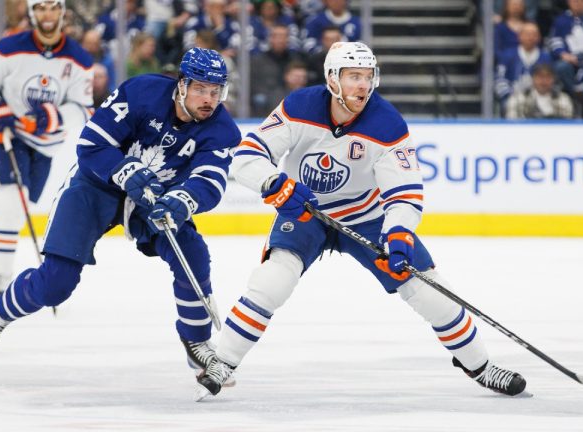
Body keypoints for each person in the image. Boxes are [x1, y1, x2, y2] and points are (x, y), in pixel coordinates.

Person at [194, 42, 527, 400]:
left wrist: (399, 234)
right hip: (306, 212)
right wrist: (275, 183)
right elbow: (248, 155)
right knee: (272, 280)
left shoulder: (386, 123)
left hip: (366, 217)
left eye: (368, 77)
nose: (363, 86)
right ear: (332, 79)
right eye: (354, 76)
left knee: (431, 292)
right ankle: (223, 361)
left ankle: (479, 365)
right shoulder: (299, 106)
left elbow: (404, 192)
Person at [0, 47, 242, 380]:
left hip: (154, 199)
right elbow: (91, 145)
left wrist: (183, 199)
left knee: (193, 254)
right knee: (57, 282)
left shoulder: (222, 130)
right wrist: (123, 169)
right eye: (200, 88)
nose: (209, 99)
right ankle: (2, 311)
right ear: (181, 85)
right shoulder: (141, 93)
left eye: (215, 92)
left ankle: (197, 342)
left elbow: (210, 182)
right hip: (96, 186)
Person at [0, 0, 94, 304]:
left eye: (53, 7)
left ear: (62, 11)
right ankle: (2, 281)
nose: (47, 14)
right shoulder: (9, 47)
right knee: (11, 207)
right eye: (40, 8)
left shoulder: (79, 59)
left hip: (46, 145)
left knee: (10, 215)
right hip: (9, 137)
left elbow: (83, 109)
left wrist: (49, 117)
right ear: (32, 12)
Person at [505, 62, 574, 119]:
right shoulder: (518, 98)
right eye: (540, 77)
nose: (544, 81)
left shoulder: (563, 99)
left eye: (548, 77)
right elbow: (512, 125)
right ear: (533, 78)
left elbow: (567, 126)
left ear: (554, 79)